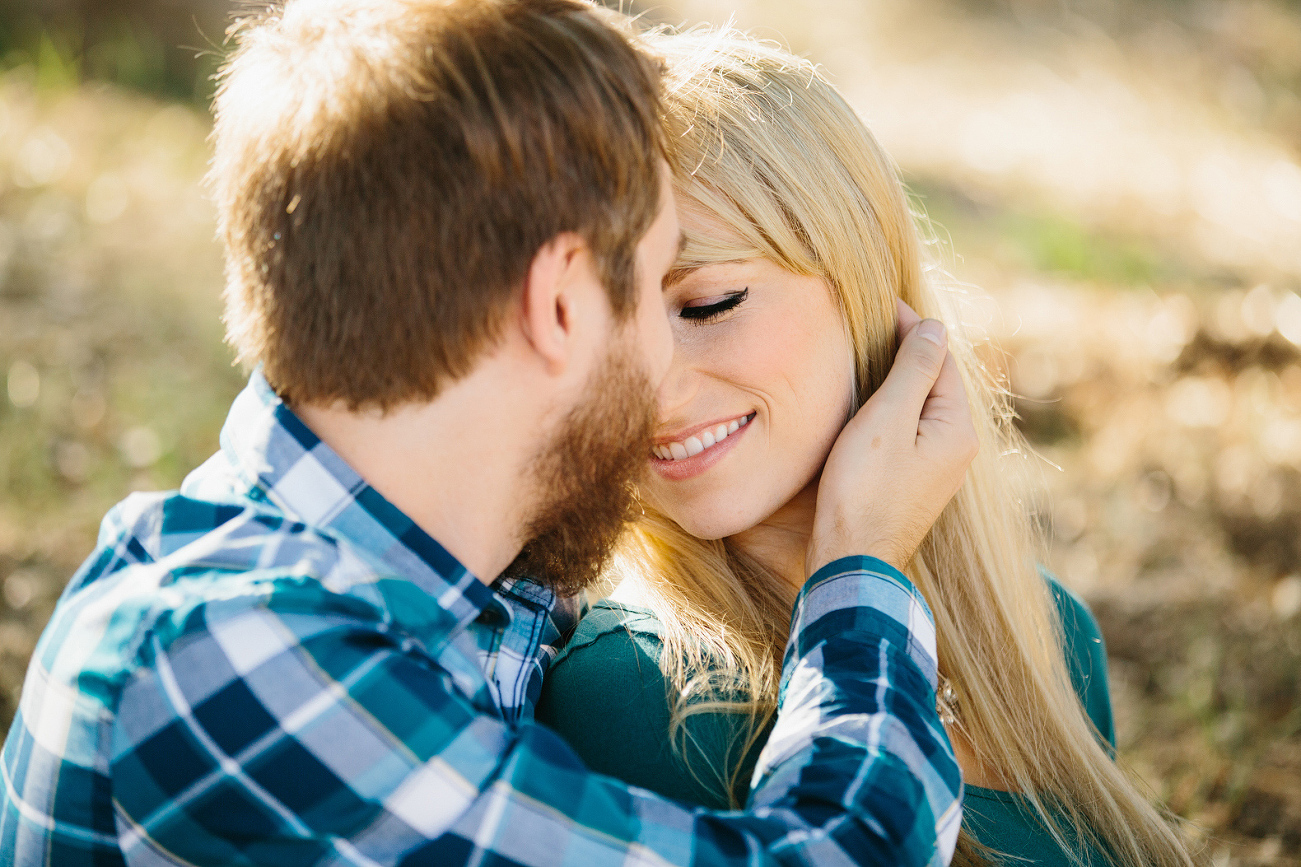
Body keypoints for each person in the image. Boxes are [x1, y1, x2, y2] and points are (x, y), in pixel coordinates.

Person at [0, 2, 979, 865]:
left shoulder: (424, 578)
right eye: (649, 290)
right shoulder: (231, 653)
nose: (663, 372)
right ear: (558, 302)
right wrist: (857, 566)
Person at [536, 26, 1197, 867]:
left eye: (706, 304)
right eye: (601, 333)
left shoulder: (1047, 634)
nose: (652, 392)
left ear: (863, 287)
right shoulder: (639, 694)